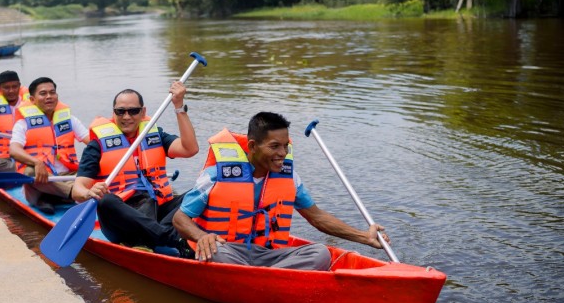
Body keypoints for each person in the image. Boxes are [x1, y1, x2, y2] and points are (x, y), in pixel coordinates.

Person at [172, 111, 389, 270]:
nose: (283, 153)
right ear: (252, 146)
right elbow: (180, 218)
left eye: (285, 146)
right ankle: (271, 280)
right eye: (274, 146)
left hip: (268, 256)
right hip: (229, 252)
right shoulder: (215, 176)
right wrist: (201, 236)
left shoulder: (289, 179)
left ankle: (266, 279)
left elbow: (317, 217)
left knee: (320, 253)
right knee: (216, 251)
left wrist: (364, 237)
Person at [71, 83, 199, 257]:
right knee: (105, 201)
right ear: (113, 112)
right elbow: (77, 189)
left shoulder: (155, 136)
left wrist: (179, 107)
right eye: (120, 111)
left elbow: (190, 149)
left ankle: (154, 237)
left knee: (201, 191)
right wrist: (89, 192)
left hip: (156, 211)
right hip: (122, 220)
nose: (126, 116)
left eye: (133, 111)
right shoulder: (97, 145)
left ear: (143, 112)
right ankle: (173, 238)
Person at [8, 77, 90, 212]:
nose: (49, 97)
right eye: (43, 93)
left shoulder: (70, 120)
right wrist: (36, 162)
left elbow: (92, 143)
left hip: (69, 175)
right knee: (29, 172)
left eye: (52, 93)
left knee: (95, 166)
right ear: (32, 100)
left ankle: (59, 197)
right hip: (42, 180)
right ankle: (75, 194)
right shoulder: (23, 124)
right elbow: (14, 150)